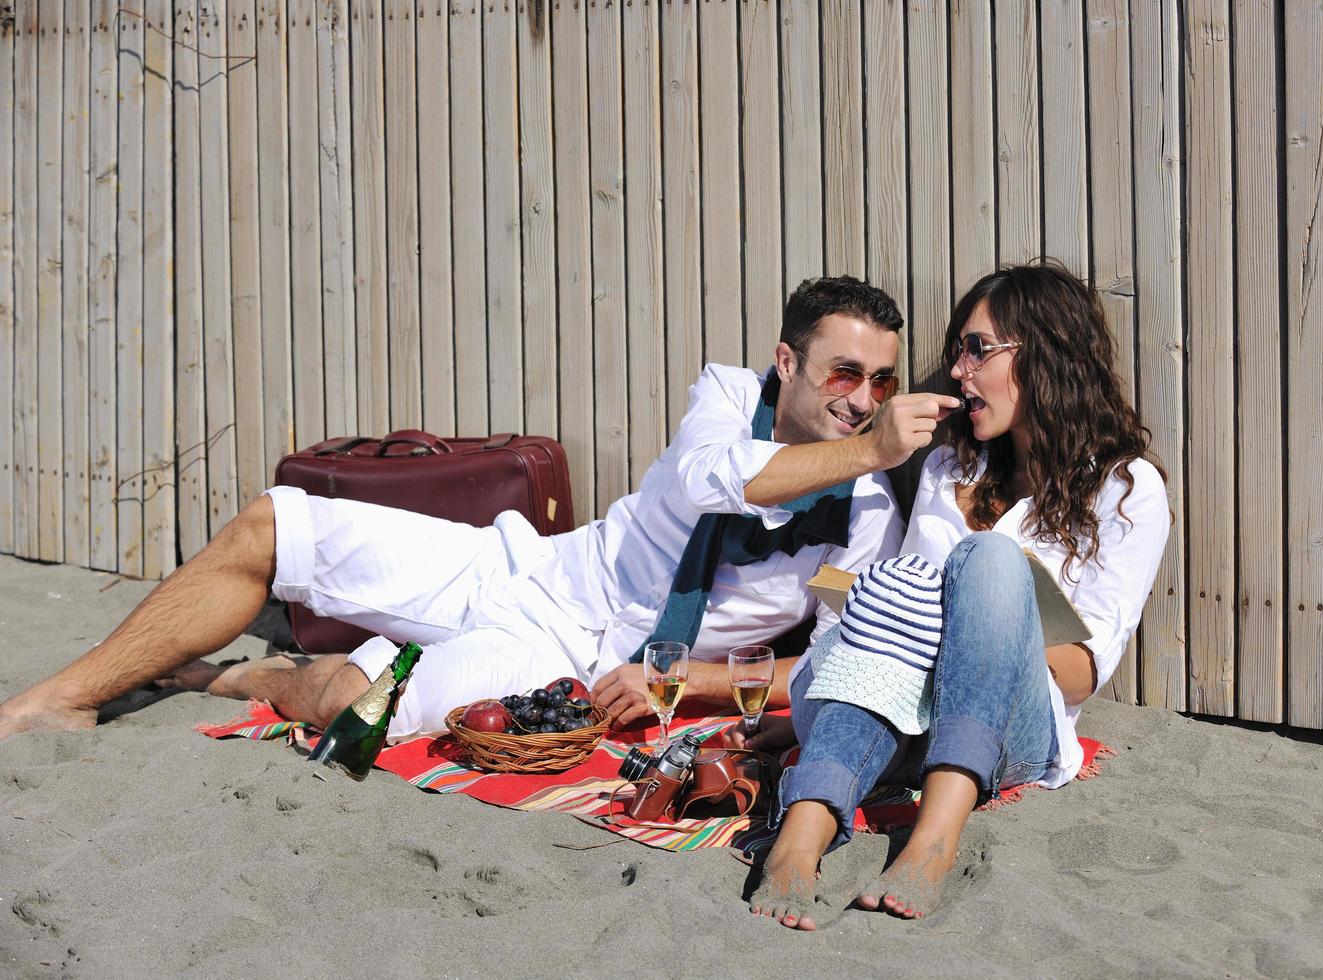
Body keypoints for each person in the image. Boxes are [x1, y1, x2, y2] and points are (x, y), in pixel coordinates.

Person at [0, 277, 964, 742]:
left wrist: (702, 681)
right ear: (789, 362)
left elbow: (842, 651)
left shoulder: (868, 504)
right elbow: (716, 481)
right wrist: (871, 444)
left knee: (360, 713)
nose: (863, 396)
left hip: (580, 651)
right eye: (846, 371)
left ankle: (230, 678)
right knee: (274, 521)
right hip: (533, 568)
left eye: (882, 382)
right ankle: (54, 701)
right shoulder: (726, 397)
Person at [743, 262, 1170, 930]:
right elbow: (890, 628)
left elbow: (1087, 672)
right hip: (900, 705)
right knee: (900, 595)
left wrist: (983, 614)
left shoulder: (1126, 489)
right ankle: (797, 841)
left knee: (990, 561)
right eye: (957, 352)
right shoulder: (951, 466)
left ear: (1047, 353)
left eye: (978, 350)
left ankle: (935, 841)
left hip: (1014, 728)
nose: (958, 371)